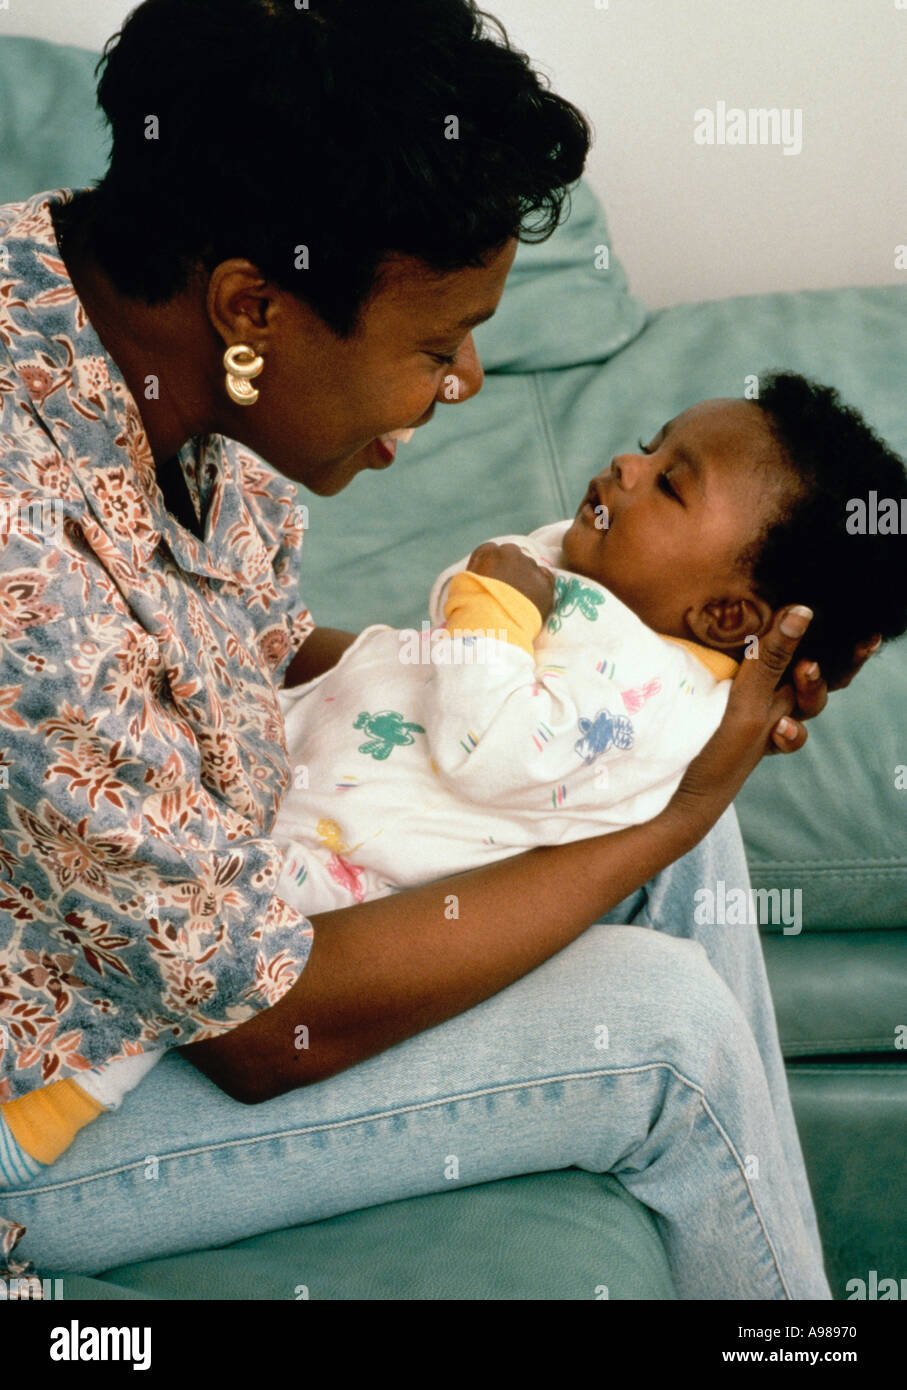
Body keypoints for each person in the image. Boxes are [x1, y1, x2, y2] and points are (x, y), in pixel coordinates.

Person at [0, 0, 880, 1298]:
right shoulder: (31, 565)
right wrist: (671, 813)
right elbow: (259, 1024)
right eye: (433, 342)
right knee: (668, 1030)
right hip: (51, 1106)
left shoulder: (119, 298)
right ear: (256, 310)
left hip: (191, 925)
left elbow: (237, 647)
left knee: (649, 746)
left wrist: (668, 700)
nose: (465, 378)